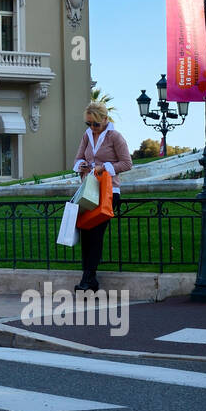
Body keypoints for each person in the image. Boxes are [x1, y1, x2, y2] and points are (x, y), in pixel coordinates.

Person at [71, 100, 132, 292]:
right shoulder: (87, 136)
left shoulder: (115, 137)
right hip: (88, 191)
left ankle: (88, 279)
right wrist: (80, 165)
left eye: (96, 124)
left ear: (105, 119)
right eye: (89, 124)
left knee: (96, 235)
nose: (92, 127)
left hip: (108, 192)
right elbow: (79, 157)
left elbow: (127, 163)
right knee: (86, 234)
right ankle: (90, 279)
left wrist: (104, 168)